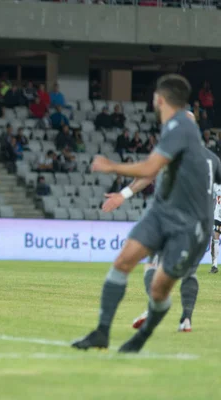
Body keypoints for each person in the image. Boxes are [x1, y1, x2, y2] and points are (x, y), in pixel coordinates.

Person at [72, 74, 221, 353]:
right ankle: (102, 332)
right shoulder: (172, 128)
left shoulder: (182, 129)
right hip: (161, 212)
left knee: (159, 290)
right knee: (123, 261)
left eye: (155, 96)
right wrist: (124, 194)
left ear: (161, 99)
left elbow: (149, 168)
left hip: (188, 224)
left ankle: (141, 339)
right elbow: (155, 169)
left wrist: (111, 166)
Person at [100, 110, 203, 335]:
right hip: (195, 220)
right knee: (186, 272)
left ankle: (154, 307)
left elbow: (148, 175)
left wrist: (123, 195)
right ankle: (186, 318)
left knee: (151, 265)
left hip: (168, 216)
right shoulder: (207, 156)